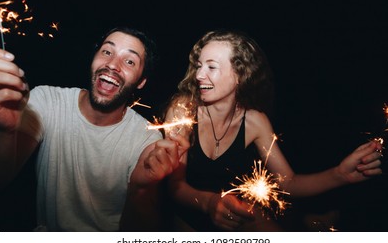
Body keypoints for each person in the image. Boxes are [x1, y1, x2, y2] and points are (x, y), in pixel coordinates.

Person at [163, 29, 383, 231]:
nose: (199, 75)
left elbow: (287, 182)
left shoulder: (254, 121)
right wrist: (209, 203)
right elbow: (175, 187)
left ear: (240, 74)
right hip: (186, 219)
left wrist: (340, 174)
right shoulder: (183, 110)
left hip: (237, 216)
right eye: (199, 65)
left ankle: (309, 222)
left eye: (211, 67)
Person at [0, 26, 188, 231]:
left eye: (129, 61)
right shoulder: (48, 101)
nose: (113, 65)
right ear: (93, 58)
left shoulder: (146, 139)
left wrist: (141, 189)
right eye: (107, 51)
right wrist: (6, 131)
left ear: (141, 82)